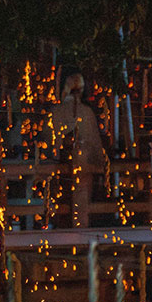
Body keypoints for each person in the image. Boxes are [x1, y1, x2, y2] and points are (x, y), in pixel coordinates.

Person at [49, 72, 106, 227]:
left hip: (59, 166)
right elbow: (94, 143)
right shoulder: (86, 113)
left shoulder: (56, 112)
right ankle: (80, 234)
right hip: (83, 168)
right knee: (81, 204)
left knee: (61, 203)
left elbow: (49, 140)